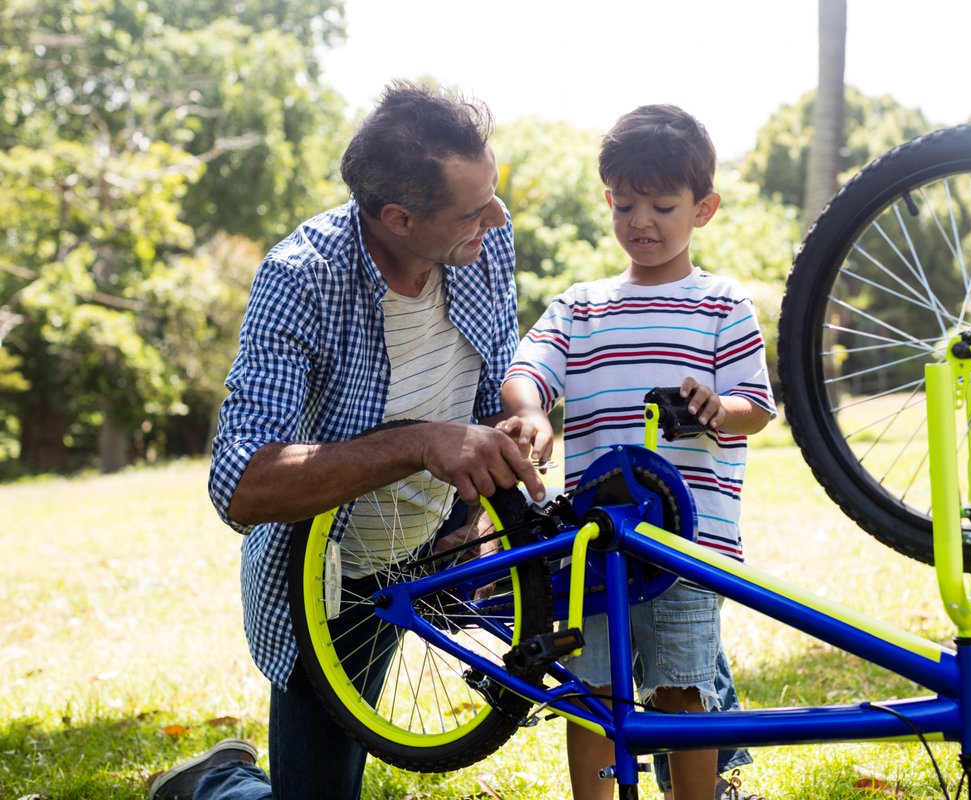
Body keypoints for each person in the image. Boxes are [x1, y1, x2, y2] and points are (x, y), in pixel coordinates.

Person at [148, 80, 544, 800]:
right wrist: (420, 443)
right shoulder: (301, 279)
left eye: (492, 195)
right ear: (397, 217)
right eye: (470, 210)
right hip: (333, 580)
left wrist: (493, 472)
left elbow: (489, 381)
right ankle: (216, 785)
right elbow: (241, 483)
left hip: (436, 546)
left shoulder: (484, 234)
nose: (495, 216)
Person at [498, 104, 776, 800]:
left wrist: (719, 407)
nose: (641, 221)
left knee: (683, 687)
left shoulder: (721, 304)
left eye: (662, 205)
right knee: (591, 689)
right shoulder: (581, 306)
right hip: (594, 548)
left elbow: (758, 408)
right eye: (625, 205)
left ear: (703, 209)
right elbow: (528, 368)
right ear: (607, 201)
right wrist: (530, 411)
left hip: (689, 547)